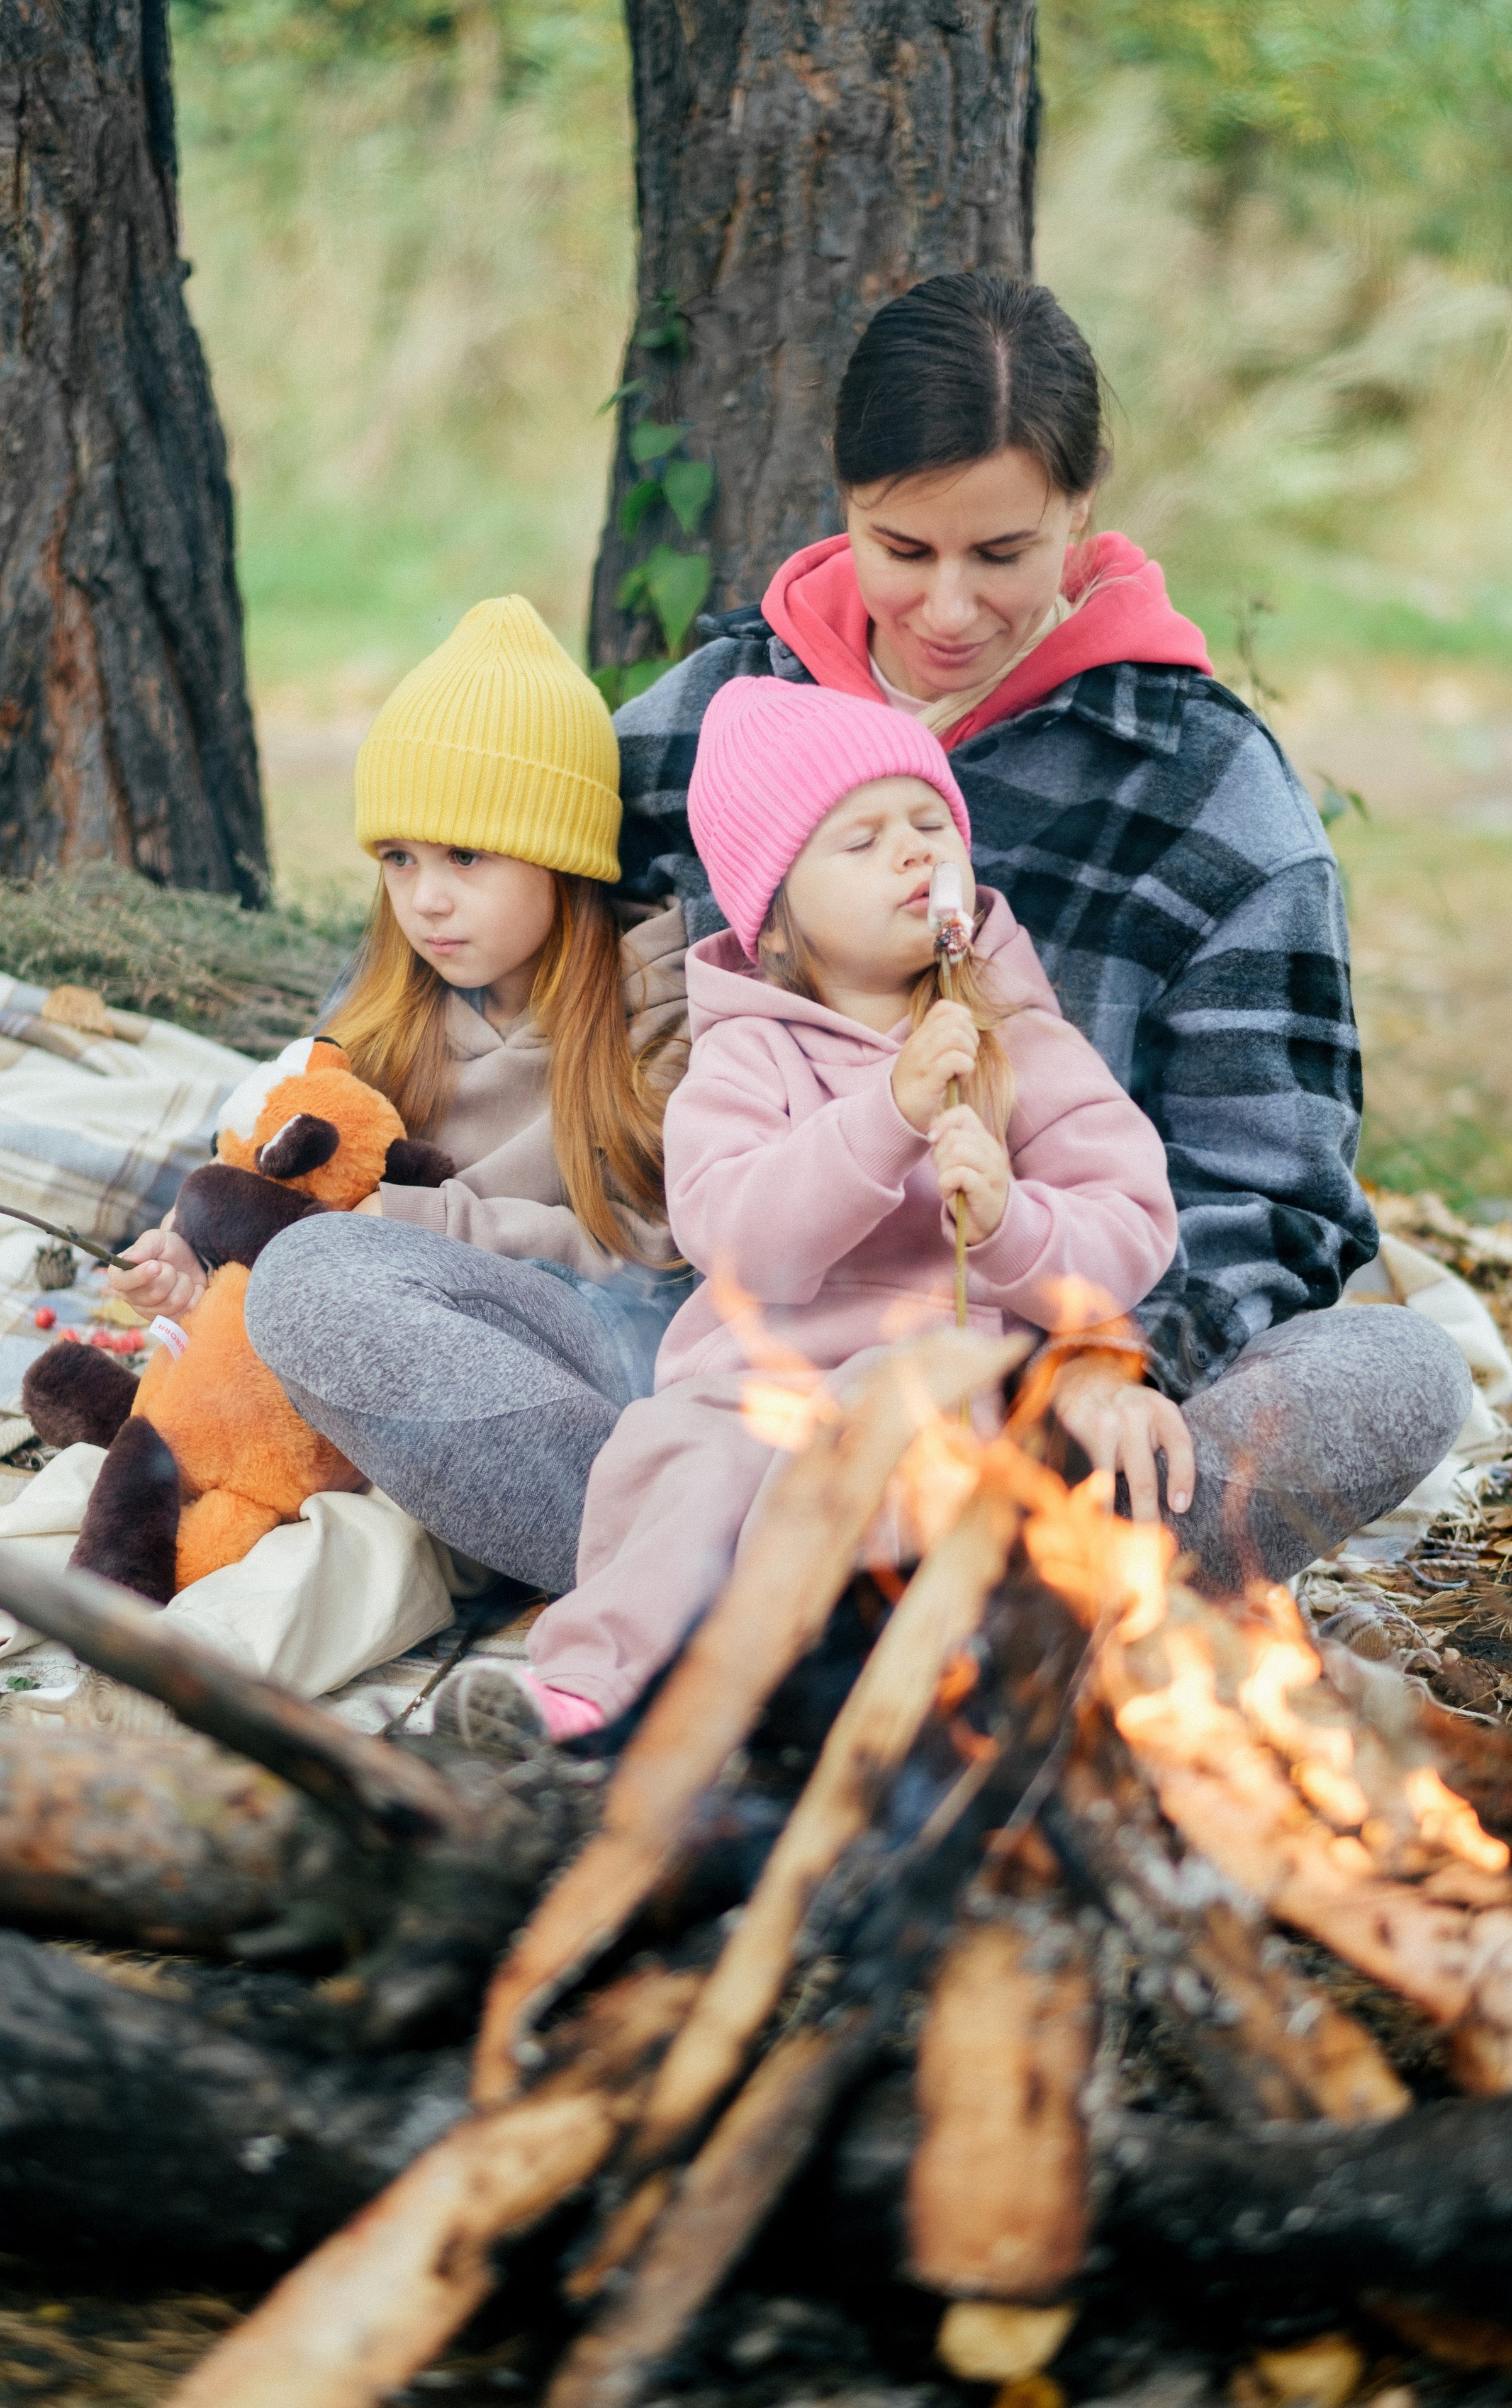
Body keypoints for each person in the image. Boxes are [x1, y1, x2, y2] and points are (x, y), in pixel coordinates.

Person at [610, 269, 1472, 1590]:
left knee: (1394, 1371)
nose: (947, 611)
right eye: (901, 550)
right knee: (345, 1288)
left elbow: (1275, 1191)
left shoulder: (1203, 784)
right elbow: (479, 941)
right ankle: (765, 1545)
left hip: (1063, 1374)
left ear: (1081, 503)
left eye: (1001, 555)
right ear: (842, 502)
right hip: (730, 1368)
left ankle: (881, 1572)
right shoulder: (722, 711)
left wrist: (1110, 1366)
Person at [434, 677, 1179, 1748]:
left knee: (889, 1417)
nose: (918, 856)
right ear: (775, 920)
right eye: (864, 842)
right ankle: (588, 1693)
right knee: (684, 1463)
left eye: (931, 825)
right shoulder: (747, 1052)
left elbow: (1132, 1232)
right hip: (754, 1383)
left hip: (952, 1394)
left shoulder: (1021, 1037)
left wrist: (1012, 1226)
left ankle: (815, 1687)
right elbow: (736, 1244)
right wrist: (885, 1116)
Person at [132, 595, 688, 1601]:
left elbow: (661, 1253)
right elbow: (293, 1161)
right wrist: (195, 1250)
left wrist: (427, 1224)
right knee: (234, 1389)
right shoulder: (390, 1006)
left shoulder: (654, 1001)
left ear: (562, 857)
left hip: (584, 1356)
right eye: (399, 859)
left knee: (310, 1286)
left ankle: (633, 1549)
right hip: (397, 1355)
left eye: (466, 856)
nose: (426, 898)